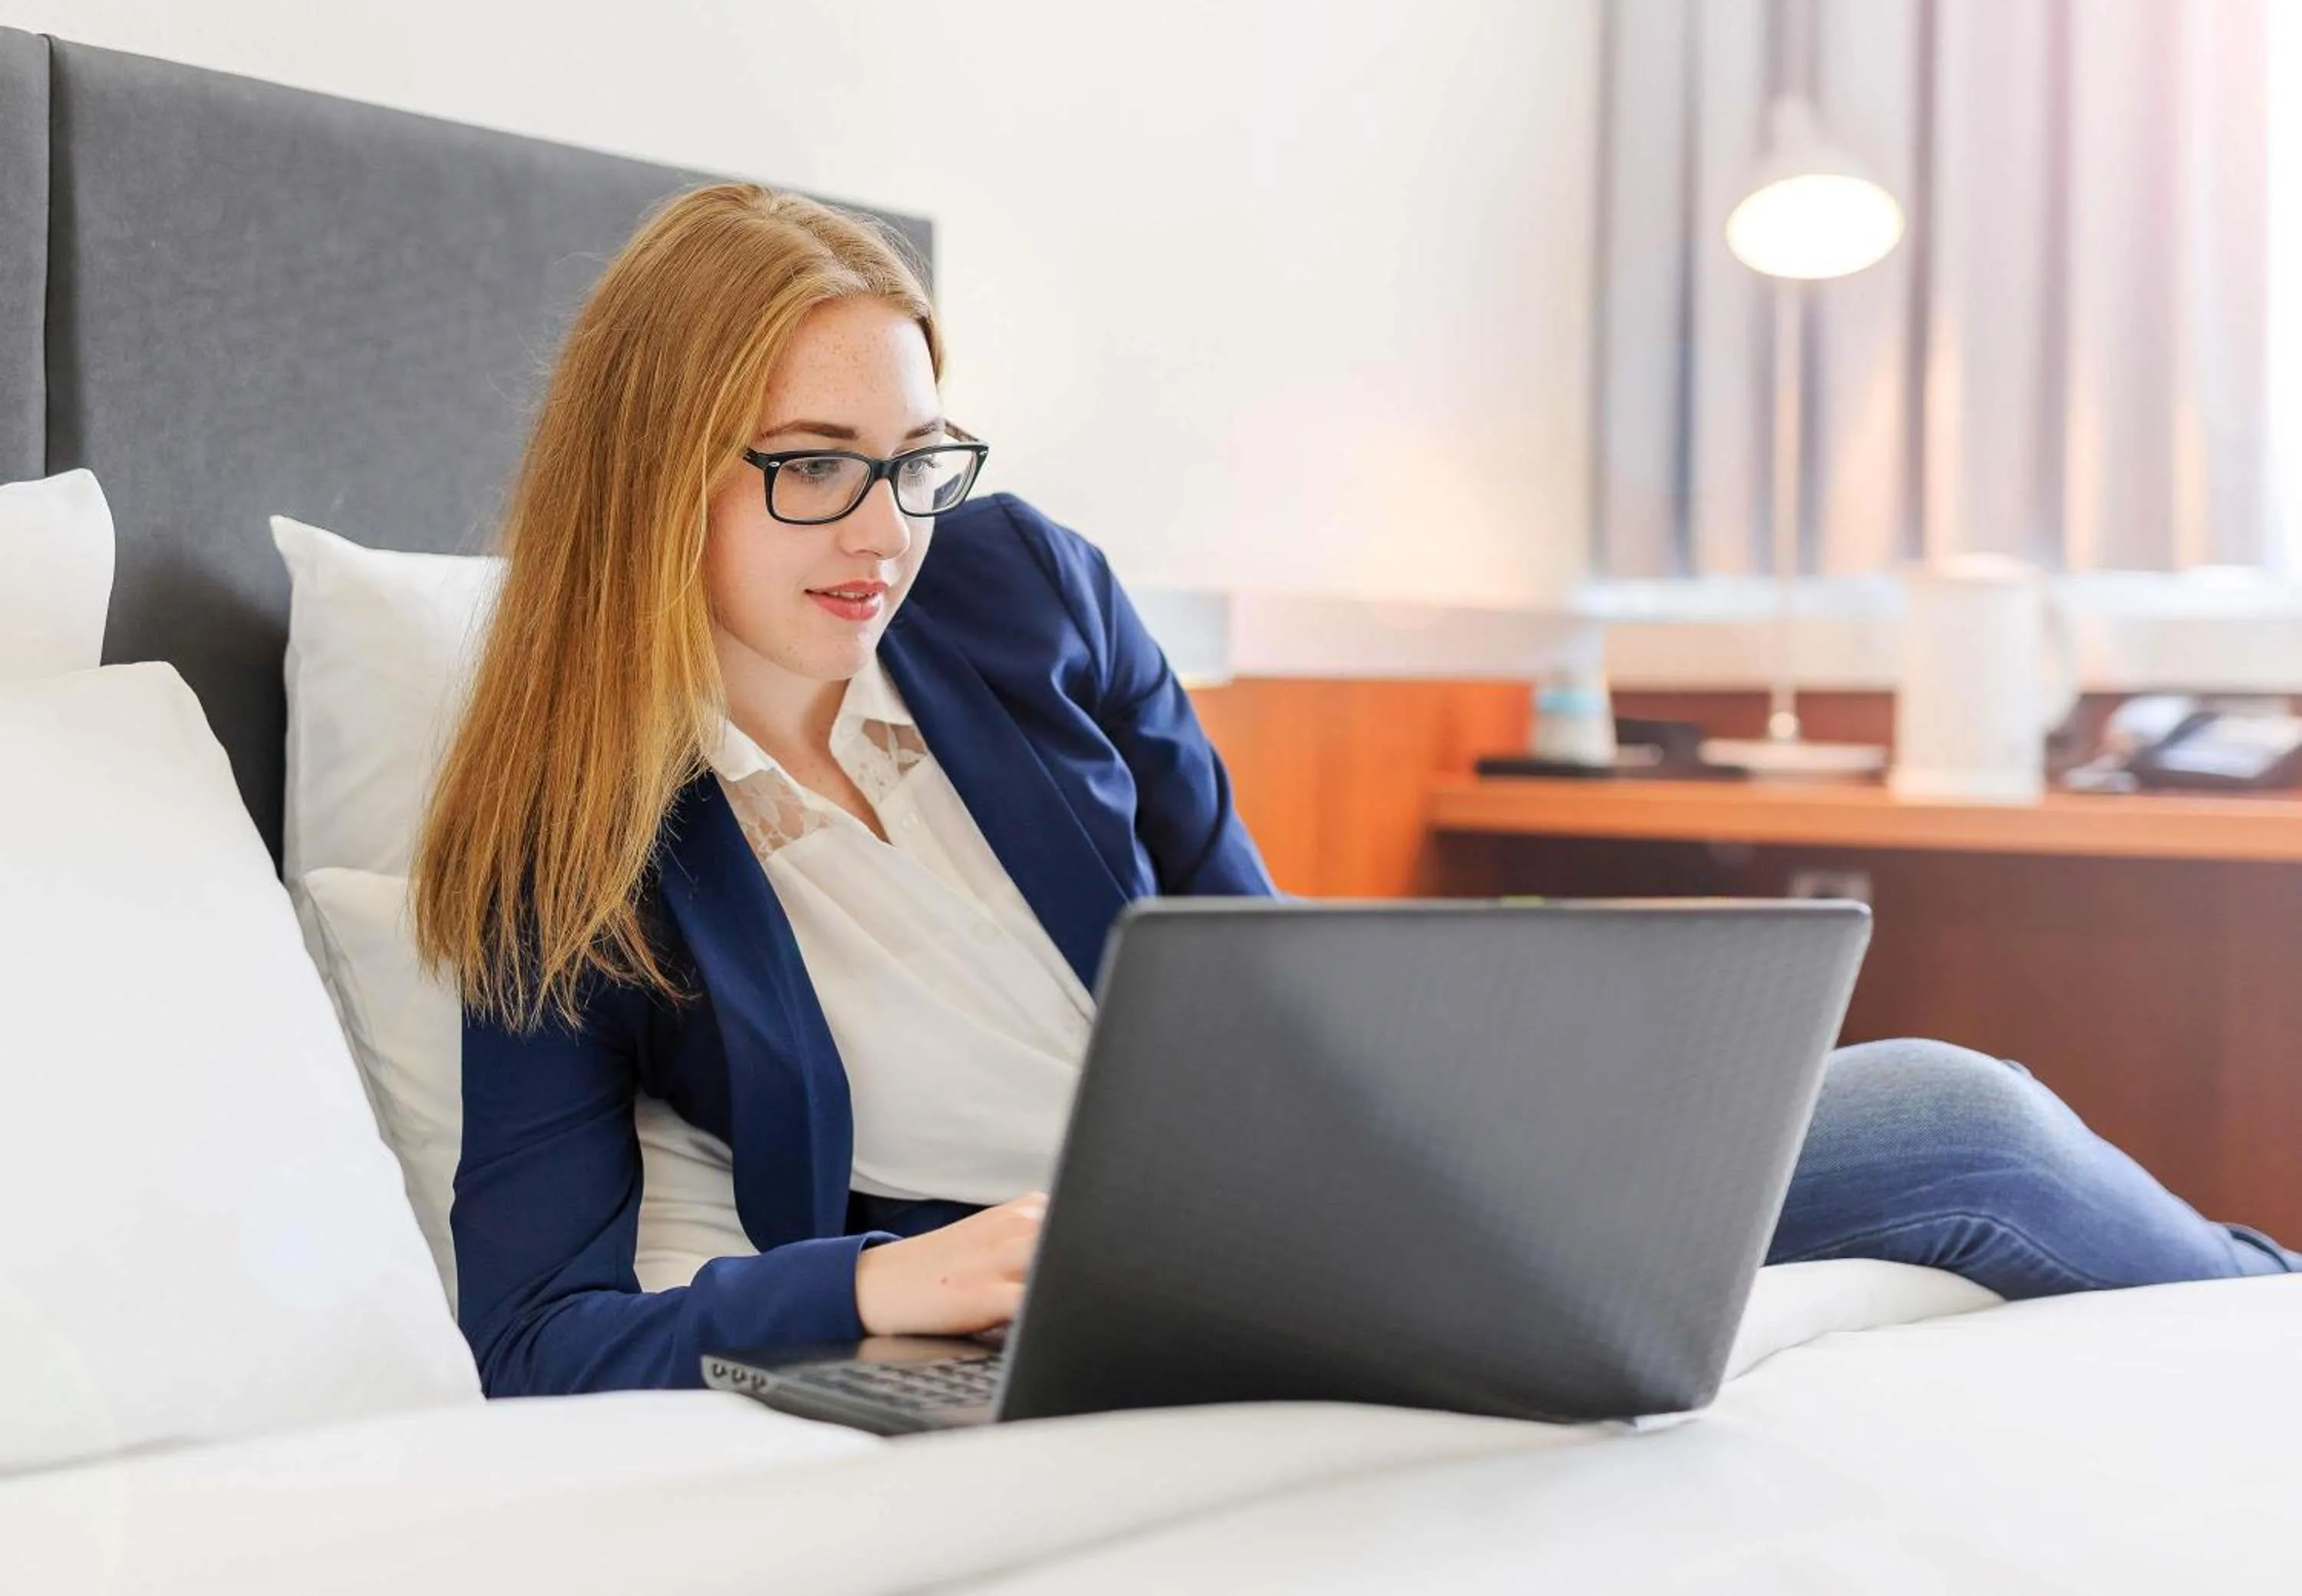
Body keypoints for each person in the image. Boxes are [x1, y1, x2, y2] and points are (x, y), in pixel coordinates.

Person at [411, 184, 2296, 1399]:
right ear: (654, 473)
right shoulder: (560, 858)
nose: (884, 531)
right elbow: (537, 1338)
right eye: (814, 467)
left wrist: (1462, 1083)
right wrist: (899, 1288)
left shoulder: (1019, 588)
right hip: (1094, 1295)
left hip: (1354, 1176)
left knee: (1959, 1117)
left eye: (918, 460)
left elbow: (1265, 959)